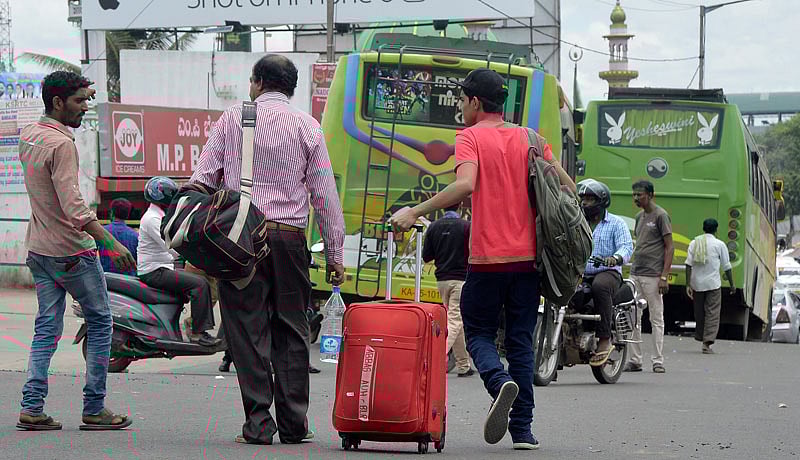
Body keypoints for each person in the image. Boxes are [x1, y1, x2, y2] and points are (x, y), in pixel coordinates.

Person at [391, 68, 575, 451]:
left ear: (475, 102)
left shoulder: (470, 137)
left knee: (476, 333)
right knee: (522, 343)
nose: (460, 107)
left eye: (462, 100)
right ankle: (522, 431)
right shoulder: (531, 138)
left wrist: (414, 211)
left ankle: (496, 380)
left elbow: (465, 186)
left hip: (488, 260)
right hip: (528, 263)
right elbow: (567, 188)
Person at [189, 54, 345, 445]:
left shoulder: (231, 120)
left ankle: (259, 424)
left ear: (257, 82)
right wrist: (336, 255)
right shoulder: (308, 126)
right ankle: (295, 424)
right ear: (290, 88)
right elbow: (325, 195)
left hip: (238, 241)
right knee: (292, 329)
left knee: (245, 329)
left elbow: (202, 180)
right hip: (290, 240)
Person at [17, 71, 135, 431]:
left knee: (46, 328)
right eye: (79, 100)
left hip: (39, 249)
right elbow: (75, 208)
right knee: (101, 323)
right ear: (57, 102)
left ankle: (32, 406)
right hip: (72, 253)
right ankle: (94, 407)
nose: (85, 107)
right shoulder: (61, 145)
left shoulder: (29, 136)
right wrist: (111, 243)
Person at [137, 176, 221, 348]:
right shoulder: (153, 219)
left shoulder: (159, 215)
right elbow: (173, 248)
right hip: (154, 272)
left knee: (200, 284)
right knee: (200, 284)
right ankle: (197, 333)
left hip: (162, 268)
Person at [577, 179, 634, 367]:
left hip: (607, 272)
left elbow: (626, 247)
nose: (585, 203)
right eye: (583, 198)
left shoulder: (616, 223)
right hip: (580, 272)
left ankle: (604, 338)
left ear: (602, 202)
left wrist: (615, 258)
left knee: (599, 286)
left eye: (590, 199)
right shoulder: (577, 223)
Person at [625, 180, 674, 374]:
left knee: (656, 318)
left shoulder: (661, 216)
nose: (636, 198)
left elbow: (669, 247)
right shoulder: (639, 216)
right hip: (636, 272)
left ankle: (657, 360)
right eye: (634, 195)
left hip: (653, 276)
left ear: (651, 195)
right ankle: (635, 360)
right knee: (633, 317)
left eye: (640, 195)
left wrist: (664, 276)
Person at [422, 203, 474, 377]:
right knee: (455, 320)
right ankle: (434, 358)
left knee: (453, 319)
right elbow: (473, 251)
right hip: (461, 280)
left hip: (441, 280)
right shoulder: (466, 227)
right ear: (461, 205)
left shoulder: (434, 227)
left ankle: (463, 365)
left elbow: (426, 256)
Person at [686, 218, 734, 354]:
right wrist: (732, 285)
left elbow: (688, 264)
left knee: (700, 313)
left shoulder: (694, 243)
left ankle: (702, 336)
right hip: (713, 284)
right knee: (712, 313)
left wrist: (688, 284)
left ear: (703, 228)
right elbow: (727, 266)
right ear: (716, 230)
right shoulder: (719, 245)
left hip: (697, 284)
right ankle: (707, 343)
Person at [98, 198, 138, 275]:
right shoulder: (136, 236)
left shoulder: (101, 232)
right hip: (130, 281)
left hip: (107, 279)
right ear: (127, 215)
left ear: (111, 213)